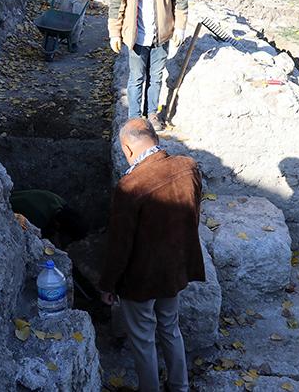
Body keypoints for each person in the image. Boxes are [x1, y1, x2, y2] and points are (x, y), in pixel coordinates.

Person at [98, 118, 204, 392]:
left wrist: (108, 284)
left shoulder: (130, 186)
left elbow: (120, 245)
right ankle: (180, 386)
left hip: (141, 279)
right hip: (173, 270)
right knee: (170, 327)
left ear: (128, 148)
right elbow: (193, 217)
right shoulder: (188, 167)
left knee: (143, 339)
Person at [108, 0, 189, 131]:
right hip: (136, 35)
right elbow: (115, 6)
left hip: (161, 33)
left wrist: (180, 27)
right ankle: (135, 118)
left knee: (156, 76)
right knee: (136, 77)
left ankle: (152, 113)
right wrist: (115, 33)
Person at [10, 189, 87, 248]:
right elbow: (32, 238)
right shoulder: (39, 219)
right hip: (7, 207)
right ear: (58, 225)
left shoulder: (59, 202)